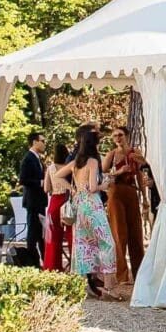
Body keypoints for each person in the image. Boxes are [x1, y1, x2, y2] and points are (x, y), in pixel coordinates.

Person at [69, 127, 120, 297]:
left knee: (84, 243)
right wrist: (104, 185)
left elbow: (58, 175)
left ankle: (85, 284)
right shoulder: (92, 161)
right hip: (92, 205)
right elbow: (92, 187)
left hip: (80, 205)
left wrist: (73, 189)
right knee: (107, 243)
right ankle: (109, 287)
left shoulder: (76, 162)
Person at [108, 129, 150, 282]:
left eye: (120, 135)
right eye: (115, 135)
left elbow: (140, 173)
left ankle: (139, 273)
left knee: (136, 232)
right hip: (115, 192)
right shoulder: (112, 154)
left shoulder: (134, 152)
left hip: (131, 191)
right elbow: (103, 173)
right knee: (119, 233)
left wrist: (144, 198)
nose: (118, 138)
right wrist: (119, 171)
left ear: (126, 136)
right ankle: (122, 275)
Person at [18, 132, 49, 269]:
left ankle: (44, 261)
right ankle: (32, 262)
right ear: (35, 142)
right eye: (42, 141)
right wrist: (41, 182)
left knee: (40, 232)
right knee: (32, 233)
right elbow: (23, 179)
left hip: (39, 201)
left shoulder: (37, 158)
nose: (44, 144)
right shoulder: (28, 158)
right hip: (33, 201)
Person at [44, 141, 73, 273]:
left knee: (54, 236)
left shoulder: (51, 168)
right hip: (68, 200)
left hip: (55, 201)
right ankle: (74, 265)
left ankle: (52, 266)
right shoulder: (69, 167)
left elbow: (46, 188)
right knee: (71, 234)